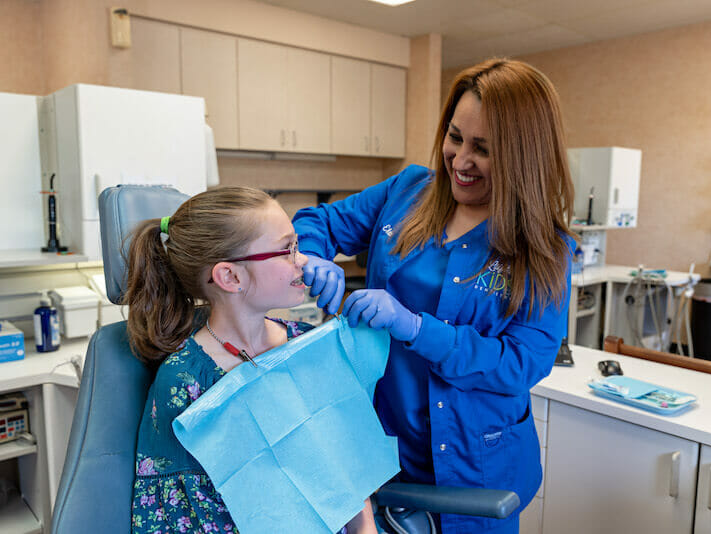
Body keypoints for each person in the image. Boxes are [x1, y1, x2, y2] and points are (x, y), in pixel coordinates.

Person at [294, 58, 576, 533]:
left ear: (522, 156)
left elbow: (522, 364)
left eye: (483, 149)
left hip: (477, 471)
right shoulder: (408, 192)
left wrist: (417, 328)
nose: (460, 160)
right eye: (454, 137)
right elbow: (318, 221)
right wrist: (315, 256)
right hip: (384, 450)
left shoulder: (543, 248)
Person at [125, 186, 376, 534]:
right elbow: (186, 515)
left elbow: (347, 467)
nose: (302, 260)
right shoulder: (186, 382)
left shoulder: (306, 344)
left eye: (297, 246)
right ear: (230, 276)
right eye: (286, 250)